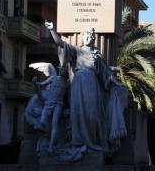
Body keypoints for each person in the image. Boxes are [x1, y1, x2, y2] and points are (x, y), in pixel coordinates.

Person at [44, 21, 117, 152]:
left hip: (91, 82)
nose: (88, 36)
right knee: (77, 112)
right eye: (86, 34)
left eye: (91, 34)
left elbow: (105, 73)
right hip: (78, 83)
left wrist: (112, 79)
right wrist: (52, 30)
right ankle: (78, 142)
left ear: (94, 38)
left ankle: (92, 142)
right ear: (83, 38)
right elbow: (60, 43)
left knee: (91, 113)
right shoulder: (77, 51)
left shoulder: (97, 56)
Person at [36, 66, 69, 153]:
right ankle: (46, 136)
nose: (63, 71)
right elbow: (42, 84)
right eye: (62, 70)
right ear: (59, 71)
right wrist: (36, 83)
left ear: (66, 73)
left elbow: (68, 97)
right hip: (49, 103)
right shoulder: (53, 78)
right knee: (42, 122)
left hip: (59, 104)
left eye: (64, 70)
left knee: (55, 124)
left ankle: (51, 146)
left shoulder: (66, 84)